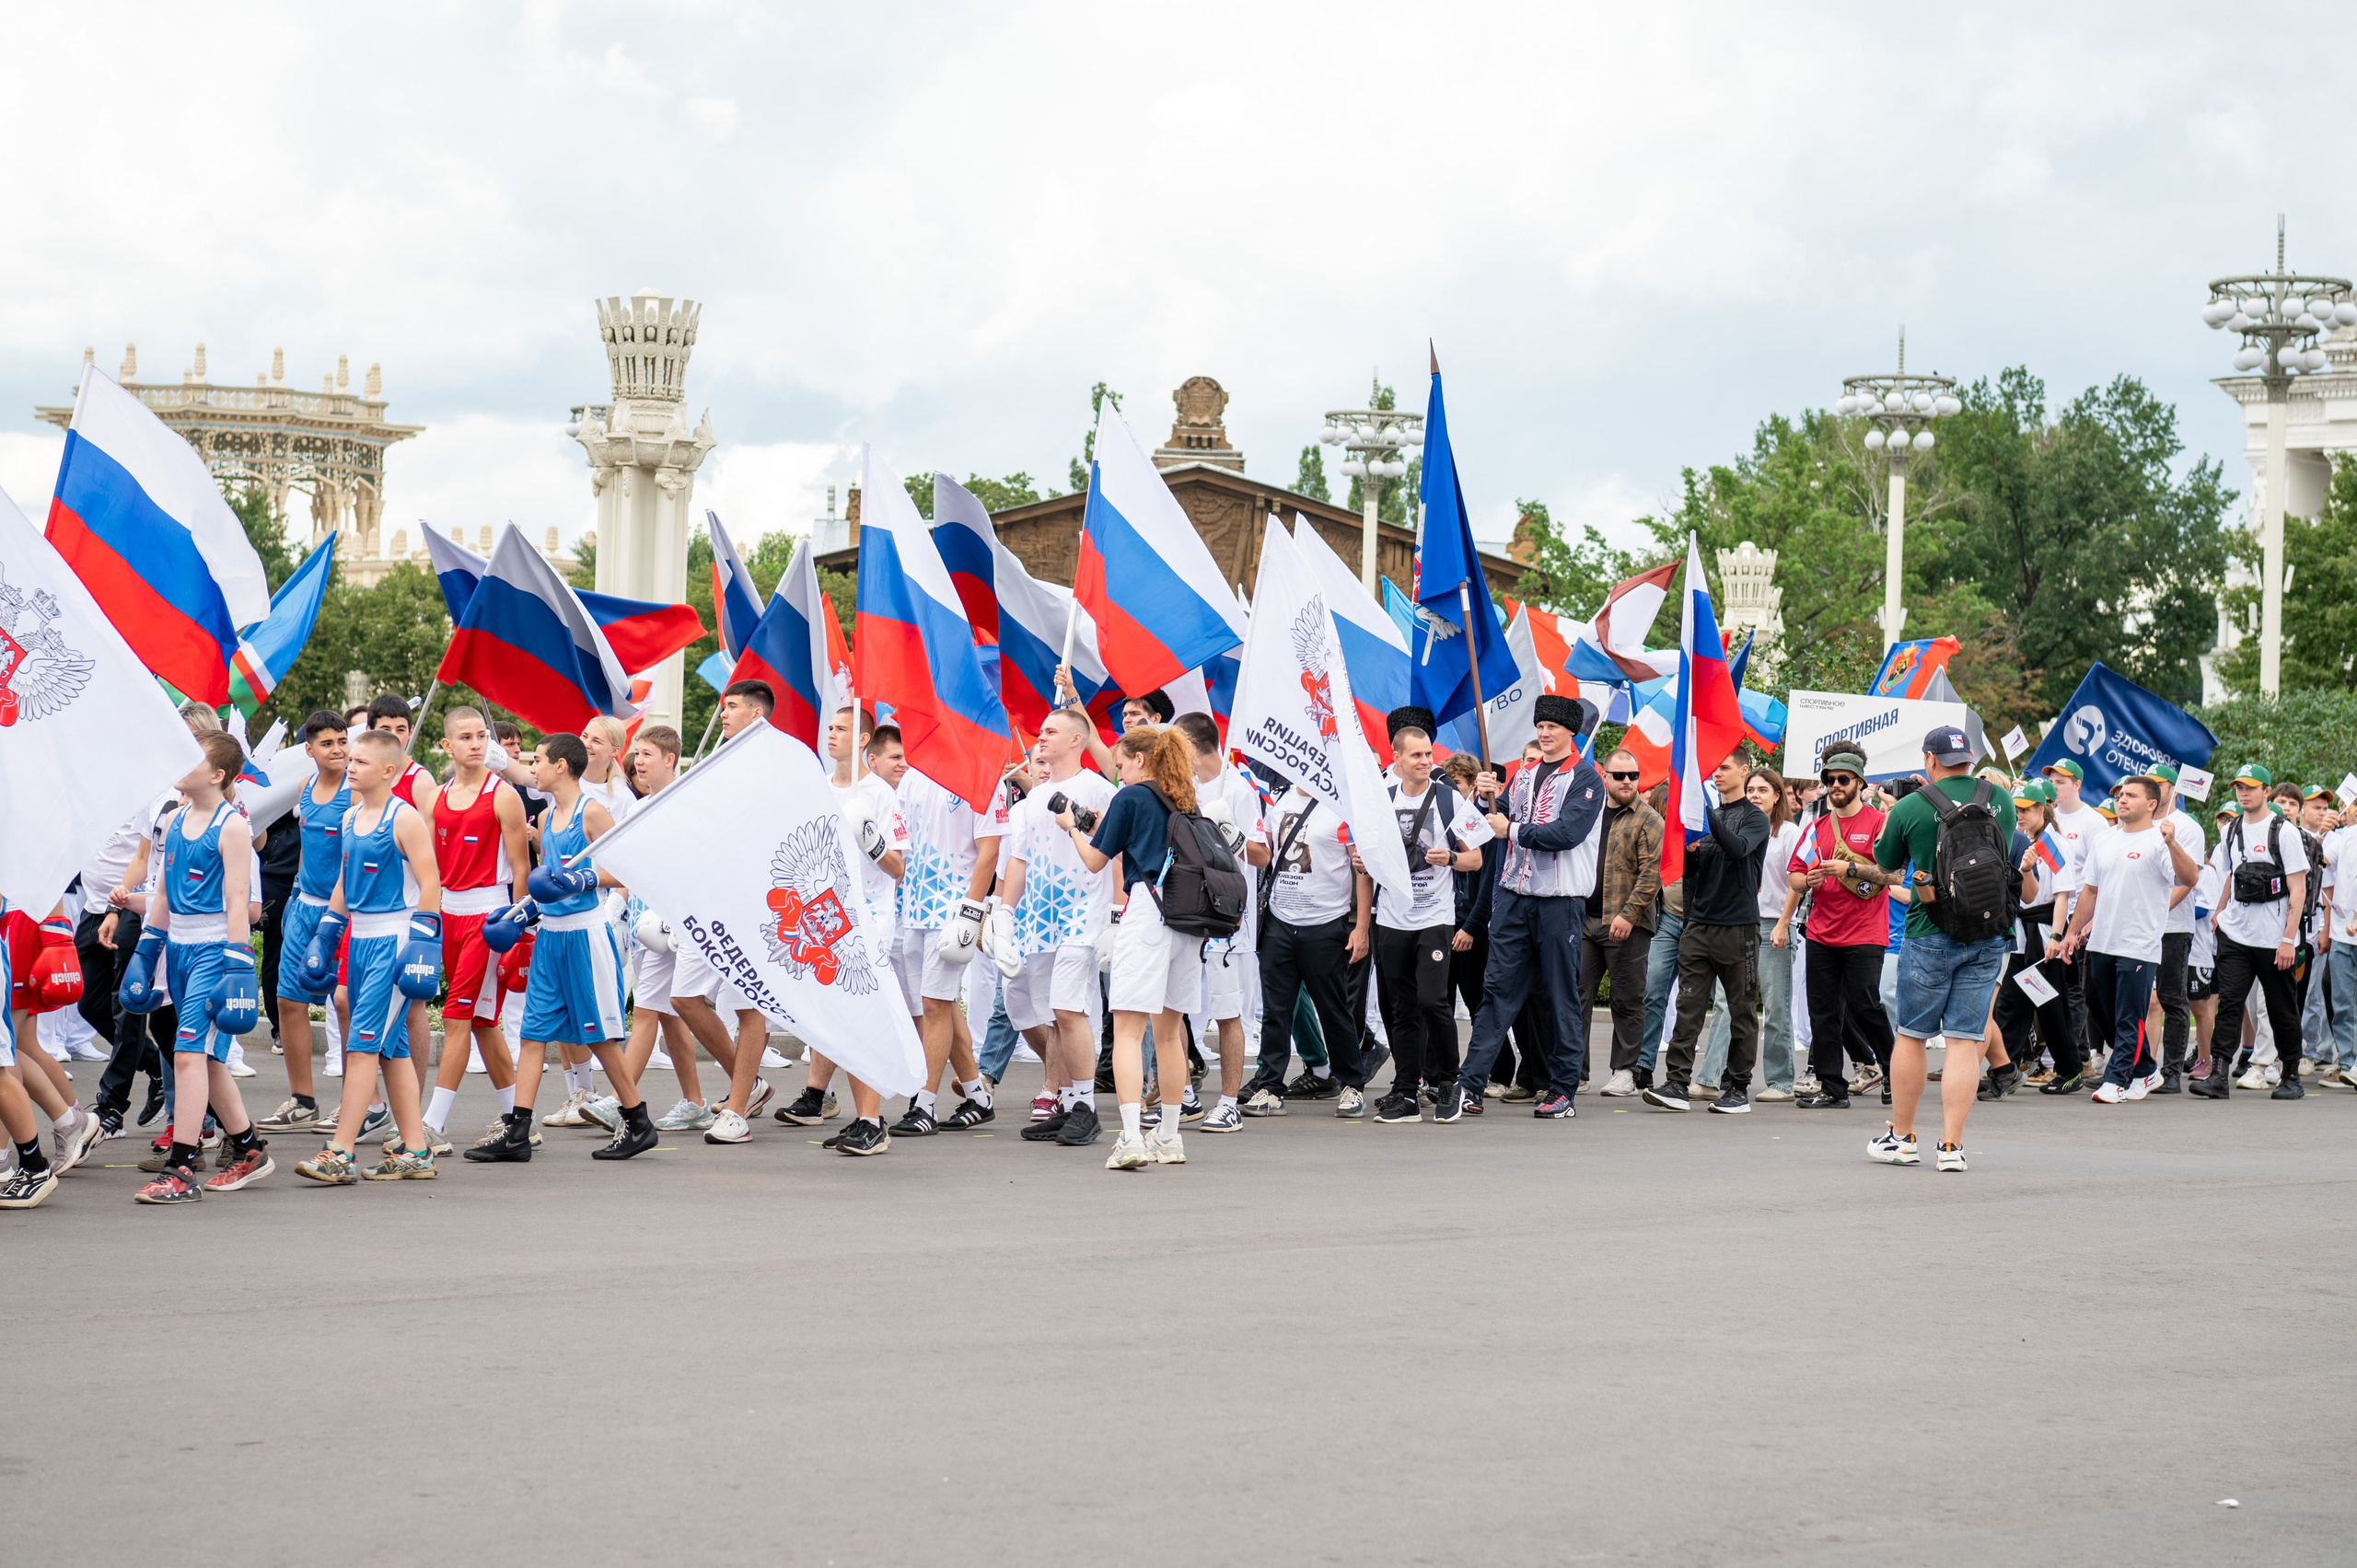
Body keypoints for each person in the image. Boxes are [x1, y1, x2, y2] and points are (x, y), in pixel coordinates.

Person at [466, 733, 652, 1161]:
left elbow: (626, 870)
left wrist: (585, 879)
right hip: (551, 935)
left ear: (562, 767)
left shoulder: (594, 812)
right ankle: (517, 1133)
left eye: (540, 761)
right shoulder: (547, 820)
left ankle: (638, 1122)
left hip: (587, 935)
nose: (534, 769)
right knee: (533, 1034)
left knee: (601, 1035)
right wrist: (521, 912)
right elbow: (550, 883)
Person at [289, 727, 449, 1184]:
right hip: (359, 939)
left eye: (359, 761)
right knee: (391, 1050)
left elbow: (431, 881)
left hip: (395, 939)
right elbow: (343, 881)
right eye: (350, 759)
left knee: (361, 1047)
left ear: (388, 771)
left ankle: (339, 1151)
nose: (349, 765)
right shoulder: (350, 817)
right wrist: (326, 933)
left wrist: (422, 940)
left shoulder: (405, 819)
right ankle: (416, 1151)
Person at [127, 734, 270, 1203]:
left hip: (213, 949)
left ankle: (181, 1167)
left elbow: (236, 902)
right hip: (179, 948)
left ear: (217, 775)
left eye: (195, 758)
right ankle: (249, 1148)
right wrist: (145, 954)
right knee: (204, 1056)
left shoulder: (232, 827)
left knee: (188, 1054)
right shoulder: (171, 819)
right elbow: (164, 896)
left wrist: (238, 963)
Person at [1054, 726, 1203, 1169]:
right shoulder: (1185, 799)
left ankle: (1133, 1138)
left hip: (1148, 913)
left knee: (1127, 1030)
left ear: (1140, 759)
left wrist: (1071, 829)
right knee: (1169, 1032)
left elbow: (1095, 860)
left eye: (1120, 764)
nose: (1117, 773)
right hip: (1188, 918)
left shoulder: (1131, 798)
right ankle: (1170, 1137)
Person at [1870, 727, 2017, 1170]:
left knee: (1912, 1036)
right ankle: (1951, 1147)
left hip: (1928, 929)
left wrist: (1897, 814)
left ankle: (1903, 1137)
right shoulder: (2002, 800)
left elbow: (1886, 863)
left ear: (1930, 759)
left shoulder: (1912, 806)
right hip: (1989, 932)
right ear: (1969, 759)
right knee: (1963, 1040)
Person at [1455, 694, 1608, 1120]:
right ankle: (1470, 1084)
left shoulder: (1587, 779)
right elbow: (1488, 824)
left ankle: (1562, 1090)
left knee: (1561, 997)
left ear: (1570, 731)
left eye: (1552, 727)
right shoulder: (1522, 774)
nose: (1543, 733)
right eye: (1540, 726)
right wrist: (1481, 799)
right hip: (1514, 899)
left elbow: (1567, 833)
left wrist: (1512, 829)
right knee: (1496, 993)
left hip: (1560, 904)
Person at [887, 706, 1009, 1138]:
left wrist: (971, 911)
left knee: (936, 1005)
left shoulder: (981, 771)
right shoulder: (914, 775)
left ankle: (924, 1103)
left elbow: (989, 850)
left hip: (952, 908)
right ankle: (977, 1094)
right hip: (912, 905)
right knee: (933, 1004)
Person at [417, 705, 531, 1148]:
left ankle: (433, 1123)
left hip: (490, 916)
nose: (477, 743)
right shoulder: (436, 798)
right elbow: (428, 869)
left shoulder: (503, 795)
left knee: (458, 1016)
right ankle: (517, 1120)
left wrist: (519, 926)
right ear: (447, 745)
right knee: (483, 1021)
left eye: (482, 735)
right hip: (449, 913)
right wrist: (425, 921)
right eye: (465, 737)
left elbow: (521, 869)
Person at [674, 683, 784, 1144]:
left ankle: (736, 1110)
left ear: (756, 713)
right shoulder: (719, 760)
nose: (723, 712)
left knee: (747, 1004)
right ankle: (751, 1082)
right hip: (709, 899)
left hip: (752, 902)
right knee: (684, 997)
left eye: (732, 706)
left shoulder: (777, 763)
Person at [1004, 706, 1119, 1147]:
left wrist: (1115, 914)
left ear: (1077, 739)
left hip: (1082, 915)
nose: (1041, 737)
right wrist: (1003, 913)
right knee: (1053, 1015)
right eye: (1042, 730)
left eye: (1051, 731)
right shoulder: (1034, 799)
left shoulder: (1097, 789)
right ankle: (1069, 1104)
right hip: (1039, 920)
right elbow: (1020, 861)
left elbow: (1116, 852)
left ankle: (1086, 1108)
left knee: (1071, 1009)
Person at [1366, 724, 1490, 1123]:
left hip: (1435, 916)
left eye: (1427, 754)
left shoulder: (1450, 800)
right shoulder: (1381, 802)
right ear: (1397, 758)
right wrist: (1363, 863)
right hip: (1391, 918)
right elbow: (1371, 861)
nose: (1425, 761)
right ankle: (1405, 1091)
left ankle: (1449, 1083)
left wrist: (1450, 859)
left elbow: (1476, 860)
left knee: (1432, 1000)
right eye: (1416, 755)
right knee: (1400, 1007)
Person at [2054, 774, 2200, 1101]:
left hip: (2139, 943)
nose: (2122, 799)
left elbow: (2189, 877)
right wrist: (2072, 932)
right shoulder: (2105, 840)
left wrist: (2173, 844)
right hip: (2103, 940)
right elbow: (2090, 890)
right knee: (2100, 1005)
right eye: (2121, 794)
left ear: (2151, 804)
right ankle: (2147, 1070)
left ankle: (2117, 1079)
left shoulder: (2159, 840)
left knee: (2128, 1013)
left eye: (2131, 795)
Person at [1644, 753, 1771, 1113]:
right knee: (1688, 1007)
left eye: (1725, 767)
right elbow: (1690, 871)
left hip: (1739, 929)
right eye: (1715, 768)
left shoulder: (1754, 817)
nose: (1717, 773)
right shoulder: (1703, 819)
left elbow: (1738, 849)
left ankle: (1737, 1088)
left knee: (1741, 1011)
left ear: (1744, 771)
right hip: (1698, 924)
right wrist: (1688, 852)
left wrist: (1706, 817)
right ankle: (1676, 1084)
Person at [1242, 775, 1376, 1117]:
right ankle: (1270, 1086)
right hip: (1279, 922)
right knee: (1276, 1010)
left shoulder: (1340, 806)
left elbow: (1362, 871)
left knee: (1333, 1009)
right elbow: (1264, 856)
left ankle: (1350, 1084)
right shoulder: (1280, 804)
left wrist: (1361, 927)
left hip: (1325, 924)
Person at [1781, 747, 1897, 1110]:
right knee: (1823, 1011)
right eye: (1829, 780)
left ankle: (1895, 1070)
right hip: (1821, 933)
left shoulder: (1879, 823)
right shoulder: (1815, 828)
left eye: (1842, 780)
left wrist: (1851, 869)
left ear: (1860, 783)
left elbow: (1892, 875)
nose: (1834, 786)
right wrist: (1808, 878)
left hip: (1865, 933)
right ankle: (1833, 1087)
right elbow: (1795, 875)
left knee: (1865, 1005)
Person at [252, 713, 352, 1137]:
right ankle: (303, 1100)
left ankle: (358, 1102)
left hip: (344, 913)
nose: (338, 750)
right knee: (288, 1002)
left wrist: (336, 916)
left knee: (346, 1006)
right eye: (327, 743)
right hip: (303, 905)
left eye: (342, 741)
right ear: (308, 750)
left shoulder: (357, 793)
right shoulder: (304, 789)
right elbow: (258, 831)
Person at [1173, 710, 1269, 1132]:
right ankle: (1185, 1094)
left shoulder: (1239, 790)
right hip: (1184, 913)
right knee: (1172, 1007)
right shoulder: (1180, 788)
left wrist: (1227, 833)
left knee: (1227, 1013)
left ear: (1192, 746)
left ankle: (1229, 1101)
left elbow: (1263, 854)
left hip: (1227, 918)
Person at [2191, 763, 2311, 1100]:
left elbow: (2297, 889)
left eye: (2251, 787)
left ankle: (2290, 1075)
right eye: (2239, 787)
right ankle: (2218, 1074)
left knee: (2280, 1007)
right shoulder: (2231, 831)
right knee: (2229, 1003)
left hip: (2275, 940)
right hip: (2236, 935)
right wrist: (2218, 914)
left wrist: (2288, 939)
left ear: (2266, 792)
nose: (2243, 793)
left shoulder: (2283, 832)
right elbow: (2229, 875)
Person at [1586, 749, 1663, 1098]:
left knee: (1628, 999)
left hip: (1627, 923)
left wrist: (1628, 914)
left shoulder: (1649, 819)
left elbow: (1653, 874)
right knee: (1574, 997)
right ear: (1605, 777)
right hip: (1585, 917)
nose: (1628, 781)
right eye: (1619, 776)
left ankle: (1625, 1072)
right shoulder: (1588, 813)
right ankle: (1575, 1070)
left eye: (1633, 774)